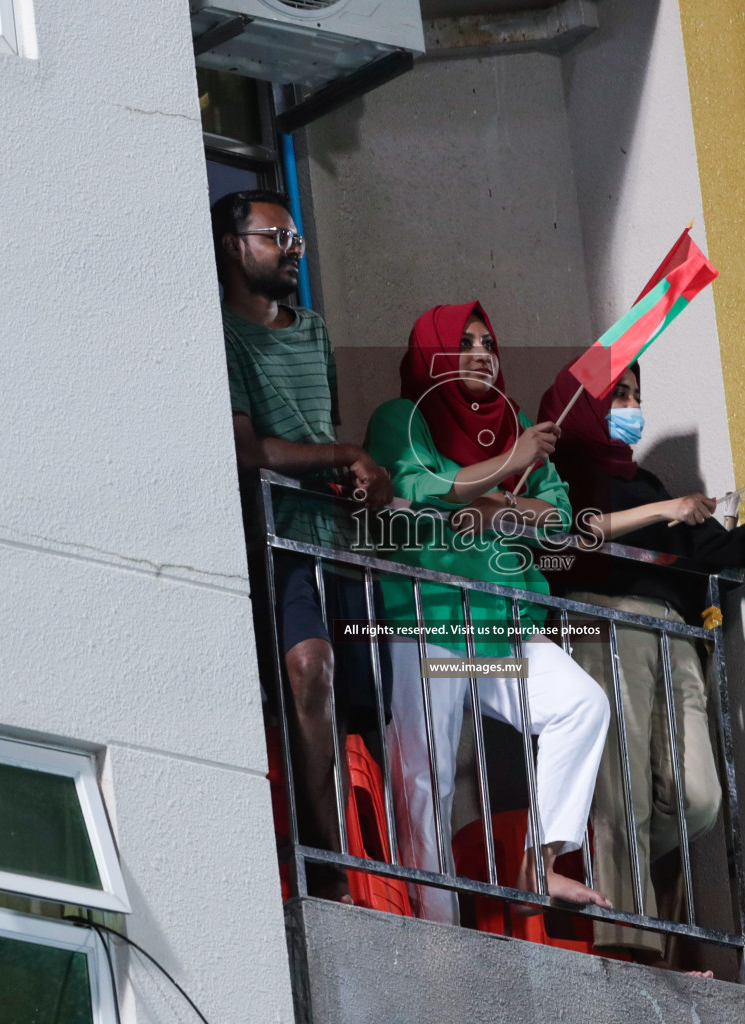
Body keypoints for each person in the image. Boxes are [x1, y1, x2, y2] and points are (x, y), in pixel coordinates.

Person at [538, 362, 745, 961]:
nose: (630, 405)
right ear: (584, 404)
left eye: (636, 395)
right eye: (619, 394)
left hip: (674, 632)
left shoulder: (648, 483)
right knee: (624, 797)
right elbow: (562, 542)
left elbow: (703, 550)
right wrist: (665, 511)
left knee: (698, 797)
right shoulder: (559, 475)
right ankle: (630, 947)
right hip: (604, 619)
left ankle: (620, 906)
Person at [362, 302, 612, 922]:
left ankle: (540, 864)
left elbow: (555, 517)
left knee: (582, 705)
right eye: (464, 343)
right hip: (431, 615)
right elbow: (414, 488)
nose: (480, 352)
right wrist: (507, 468)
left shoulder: (518, 424)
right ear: (433, 355)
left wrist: (494, 494)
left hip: (501, 623)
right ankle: (435, 922)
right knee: (428, 775)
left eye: (488, 342)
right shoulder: (402, 418)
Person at [212, 189, 394, 904]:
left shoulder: (312, 330)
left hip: (334, 540)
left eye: (297, 240)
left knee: (368, 701)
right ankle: (326, 869)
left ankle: (382, 875)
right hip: (274, 539)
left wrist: (357, 478)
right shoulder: (219, 334)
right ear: (234, 247)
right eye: (277, 237)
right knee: (308, 669)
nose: (294, 251)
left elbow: (319, 437)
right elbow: (247, 450)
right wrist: (347, 453)